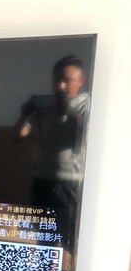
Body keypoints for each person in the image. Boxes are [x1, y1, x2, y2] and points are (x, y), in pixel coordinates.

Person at [14, 55, 90, 210]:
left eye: (67, 80)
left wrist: (70, 112)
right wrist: (24, 115)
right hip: (41, 182)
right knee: (41, 225)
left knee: (68, 225)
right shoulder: (44, 105)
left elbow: (94, 136)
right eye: (56, 80)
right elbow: (18, 137)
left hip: (72, 183)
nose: (60, 86)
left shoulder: (87, 104)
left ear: (80, 81)